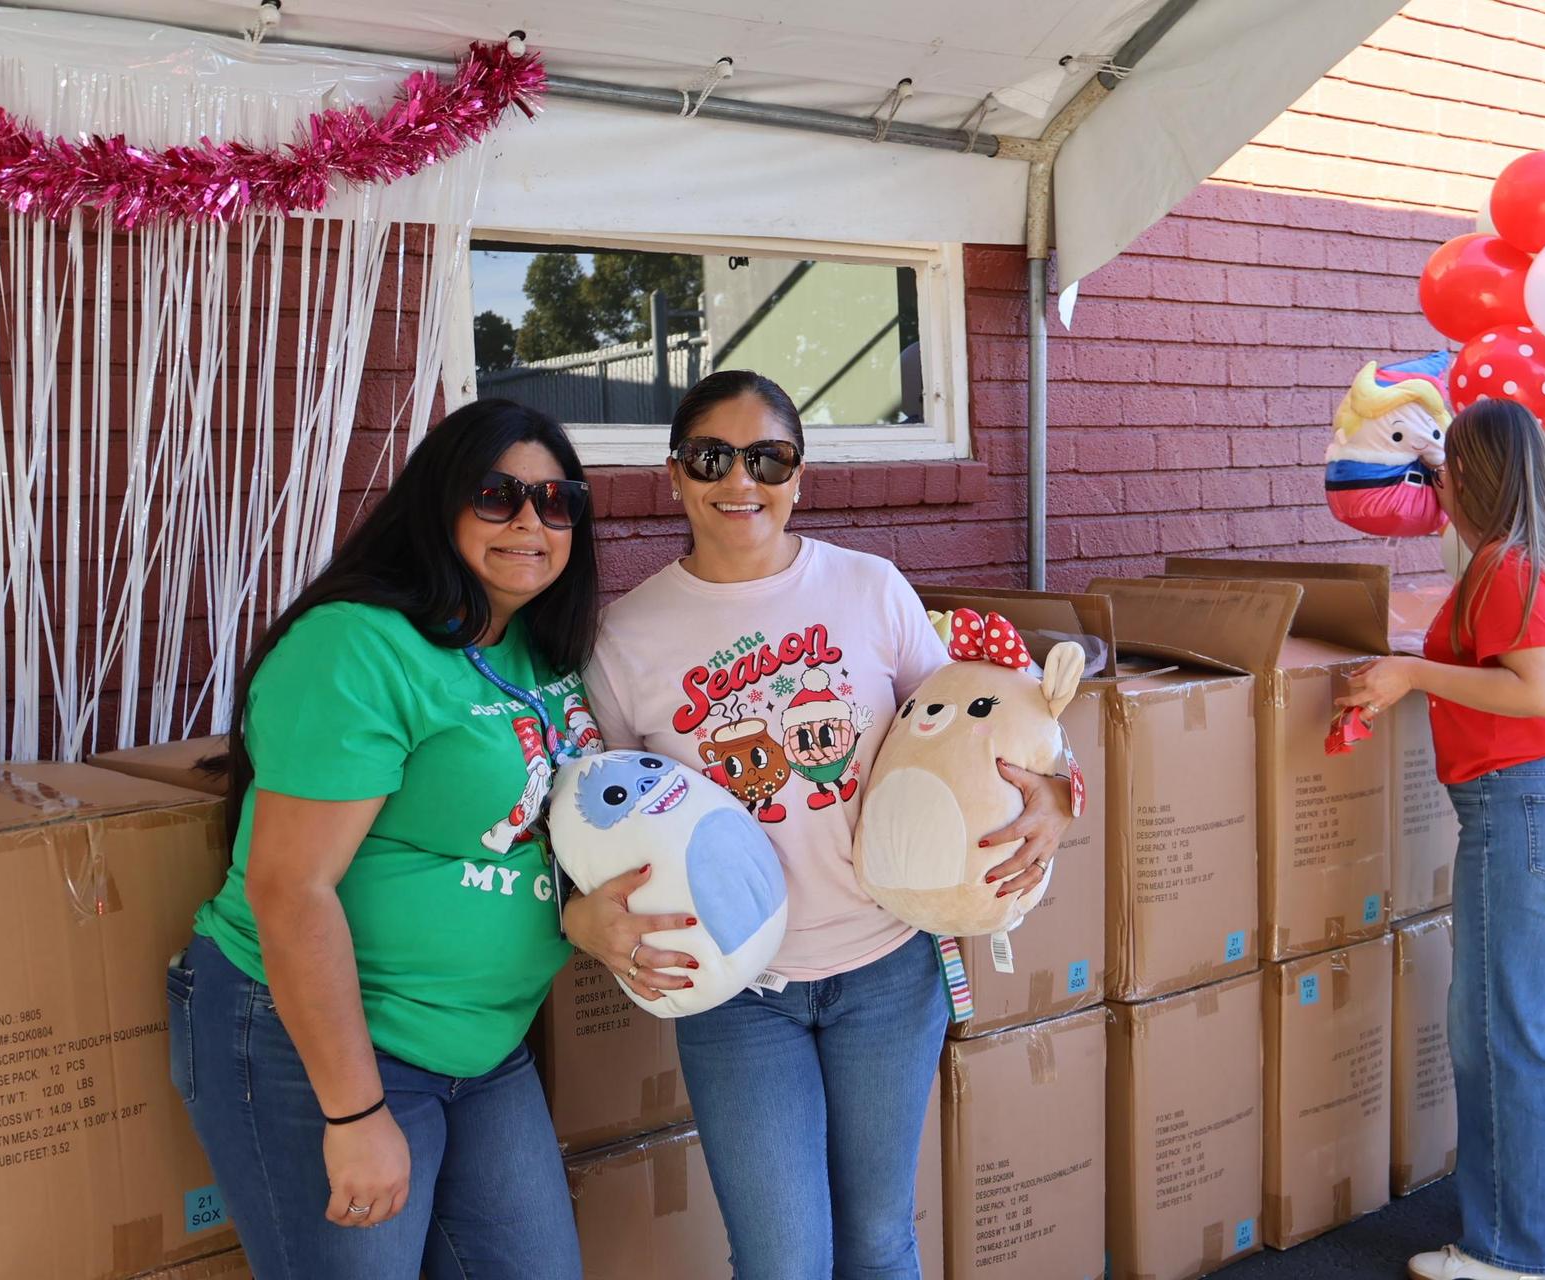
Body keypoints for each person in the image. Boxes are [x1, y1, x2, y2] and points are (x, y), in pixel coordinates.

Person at [577, 369, 1075, 1279]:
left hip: (889, 968)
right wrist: (586, 918)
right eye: (713, 457)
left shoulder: (871, 590)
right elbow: (596, 819)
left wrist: (1055, 792)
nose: (741, 482)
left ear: (799, 476)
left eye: (768, 459)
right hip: (740, 994)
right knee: (781, 1263)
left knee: (880, 1241)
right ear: (675, 474)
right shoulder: (626, 639)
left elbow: (973, 719)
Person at [168, 399, 623, 1279]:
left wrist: (580, 919)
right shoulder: (357, 647)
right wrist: (352, 1113)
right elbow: (289, 889)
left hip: (483, 1048)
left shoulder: (537, 645)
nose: (531, 520)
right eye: (498, 495)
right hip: (325, 1045)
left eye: (557, 500)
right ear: (439, 503)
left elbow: (530, 830)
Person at [1339, 399, 1545, 1280]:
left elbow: (1534, 690)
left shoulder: (1505, 565)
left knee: (1500, 1032)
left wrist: (1411, 672)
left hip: (1525, 805)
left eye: (1443, 469)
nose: (1436, 484)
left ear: (1475, 474)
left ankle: (1515, 1250)